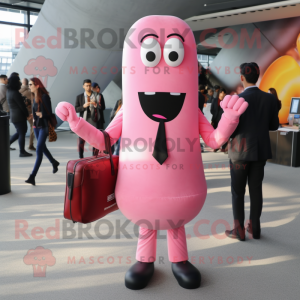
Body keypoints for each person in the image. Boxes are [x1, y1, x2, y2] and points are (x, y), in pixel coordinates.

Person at [225, 62, 279, 241]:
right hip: (260, 152)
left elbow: (229, 128)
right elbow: (273, 126)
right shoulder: (270, 99)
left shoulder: (236, 99)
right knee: (256, 190)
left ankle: (238, 230)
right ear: (258, 76)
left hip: (239, 152)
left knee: (237, 192)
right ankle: (255, 228)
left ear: (242, 77)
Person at [25, 78, 59, 186]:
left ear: (37, 85)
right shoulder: (34, 96)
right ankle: (54, 162)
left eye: (31, 84)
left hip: (44, 126)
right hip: (36, 126)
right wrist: (33, 116)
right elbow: (36, 111)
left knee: (39, 150)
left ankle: (32, 176)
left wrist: (41, 115)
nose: (29, 86)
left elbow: (49, 113)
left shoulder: (45, 97)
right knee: (42, 147)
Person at [7, 75, 32, 157]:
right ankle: (22, 151)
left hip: (14, 116)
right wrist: (27, 115)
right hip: (19, 116)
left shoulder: (9, 91)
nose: (20, 82)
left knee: (19, 132)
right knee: (22, 133)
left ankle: (7, 144)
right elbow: (22, 106)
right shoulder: (15, 93)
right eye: (18, 81)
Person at [75, 79, 101, 158]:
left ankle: (95, 156)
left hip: (94, 120)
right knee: (81, 140)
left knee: (95, 140)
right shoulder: (79, 97)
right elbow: (76, 109)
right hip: (83, 121)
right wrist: (83, 106)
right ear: (83, 86)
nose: (88, 87)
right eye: (87, 86)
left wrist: (96, 106)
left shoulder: (97, 95)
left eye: (89, 85)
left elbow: (102, 107)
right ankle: (81, 157)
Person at [20, 78, 35, 151]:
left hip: (20, 113)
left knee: (20, 130)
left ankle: (9, 142)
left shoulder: (18, 91)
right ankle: (31, 145)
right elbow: (33, 103)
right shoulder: (30, 92)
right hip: (29, 112)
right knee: (32, 127)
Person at [210, 88, 227, 152]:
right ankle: (216, 147)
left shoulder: (226, 101)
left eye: (224, 93)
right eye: (221, 92)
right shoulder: (214, 100)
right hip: (215, 120)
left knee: (223, 134)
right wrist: (215, 116)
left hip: (223, 120)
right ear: (219, 93)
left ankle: (223, 147)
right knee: (216, 134)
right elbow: (211, 110)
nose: (222, 94)